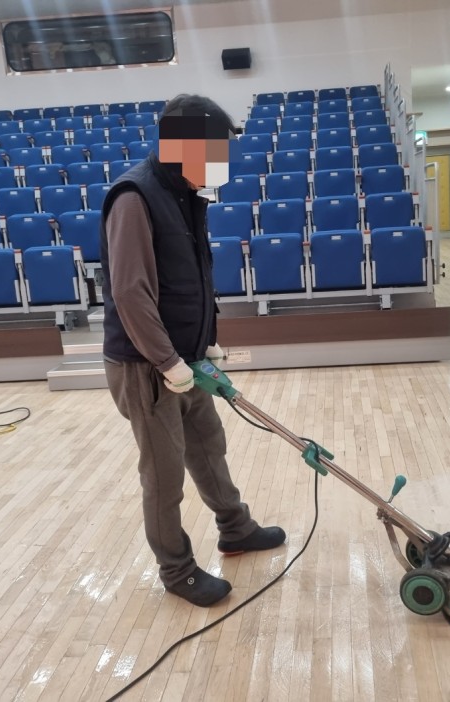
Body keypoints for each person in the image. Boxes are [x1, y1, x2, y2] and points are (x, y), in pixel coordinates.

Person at [100, 94, 285, 607]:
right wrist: (166, 361)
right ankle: (177, 570)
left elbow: (191, 280)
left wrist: (205, 345)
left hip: (186, 358)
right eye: (215, 149)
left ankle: (235, 528)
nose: (221, 161)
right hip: (146, 365)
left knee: (208, 444)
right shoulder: (134, 196)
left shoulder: (186, 194)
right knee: (165, 475)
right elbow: (130, 292)